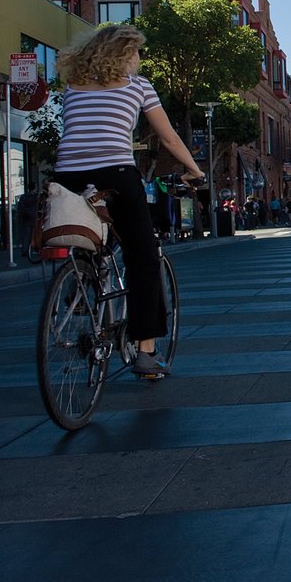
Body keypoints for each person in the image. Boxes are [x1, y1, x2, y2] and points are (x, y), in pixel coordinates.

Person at [52, 24, 205, 378]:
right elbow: (169, 139)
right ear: (125, 54)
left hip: (66, 178)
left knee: (87, 235)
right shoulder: (138, 87)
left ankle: (83, 275)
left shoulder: (72, 87)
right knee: (142, 258)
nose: (139, 60)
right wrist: (194, 170)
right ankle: (146, 352)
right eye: (136, 53)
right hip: (116, 175)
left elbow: (76, 134)